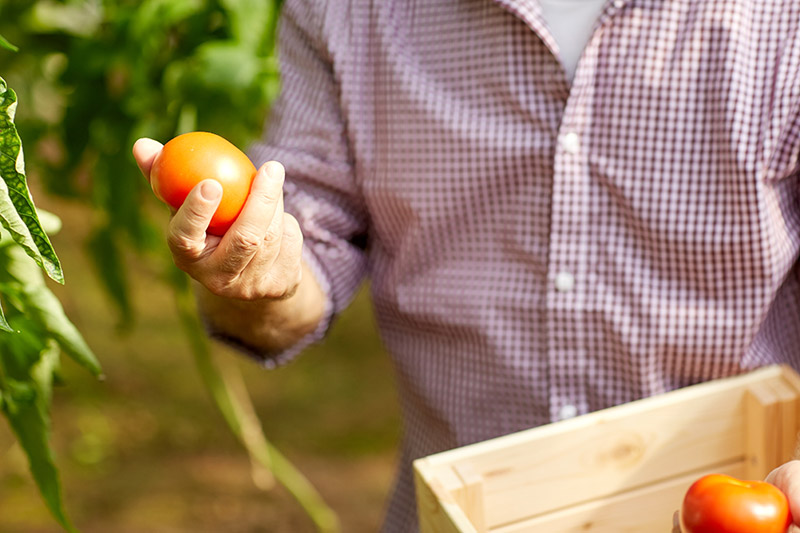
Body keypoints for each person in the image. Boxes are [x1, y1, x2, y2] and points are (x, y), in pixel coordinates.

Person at [133, 0, 800, 531]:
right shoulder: (346, 12)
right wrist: (256, 274)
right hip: (453, 514)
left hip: (739, 504)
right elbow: (301, 258)